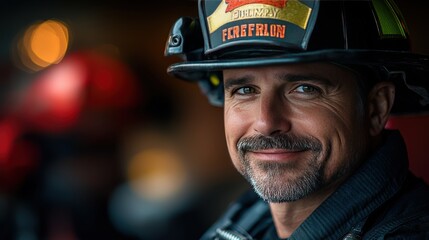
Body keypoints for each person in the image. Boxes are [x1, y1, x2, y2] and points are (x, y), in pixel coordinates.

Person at [165, 0, 429, 239]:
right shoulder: (244, 222)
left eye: (304, 89)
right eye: (245, 90)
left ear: (376, 107)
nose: (266, 123)